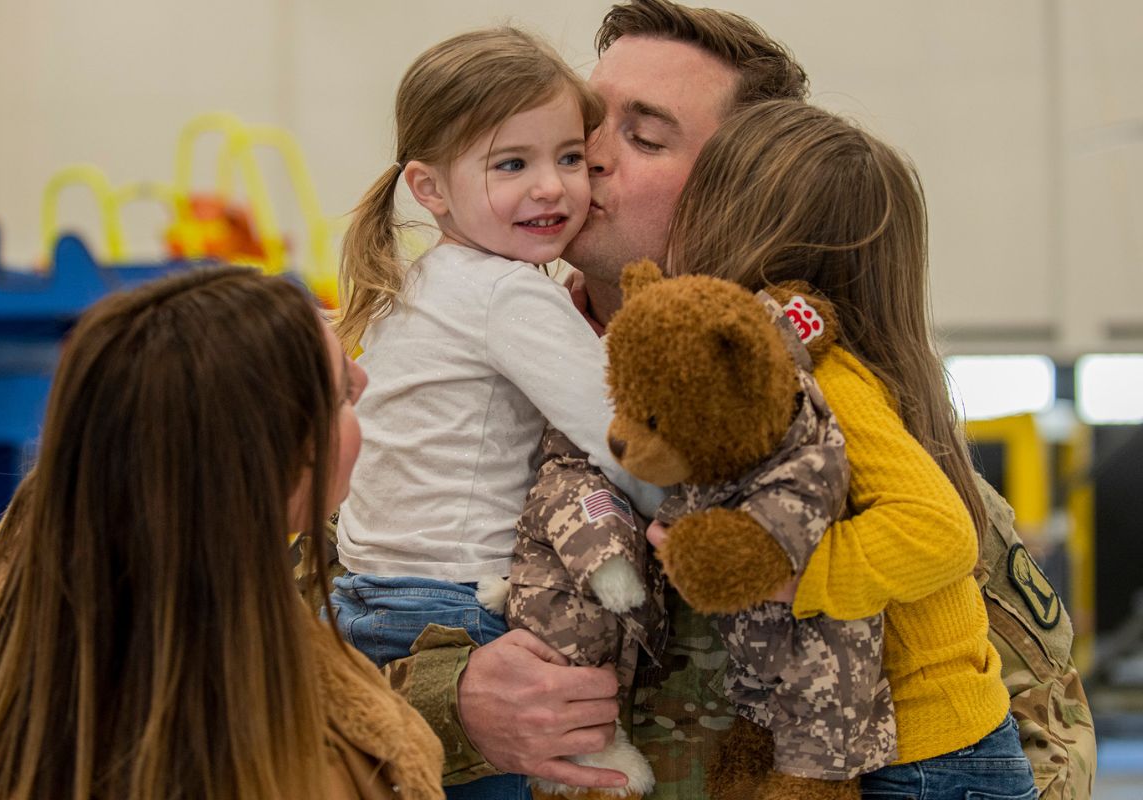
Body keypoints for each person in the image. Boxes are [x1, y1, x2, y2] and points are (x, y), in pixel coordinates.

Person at [316, 2, 1093, 798]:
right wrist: (451, 708)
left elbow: (1039, 735)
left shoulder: (816, 429)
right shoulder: (439, 394)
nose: (587, 156)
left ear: (741, 188)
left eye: (644, 136)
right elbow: (270, 682)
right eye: (582, 123)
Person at [0, 267, 444, 800]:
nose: (363, 379)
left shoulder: (40, 550)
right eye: (341, 394)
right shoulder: (271, 744)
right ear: (268, 462)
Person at [655, 98, 1035, 799]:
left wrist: (785, 575)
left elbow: (940, 531)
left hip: (930, 758)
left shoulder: (828, 380)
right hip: (927, 748)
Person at [330, 25, 666, 800]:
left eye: (569, 158)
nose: (552, 187)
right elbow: (621, 437)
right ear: (430, 189)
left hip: (371, 598)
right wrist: (679, 517)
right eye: (513, 164)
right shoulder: (507, 294)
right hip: (458, 606)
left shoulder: (413, 286)